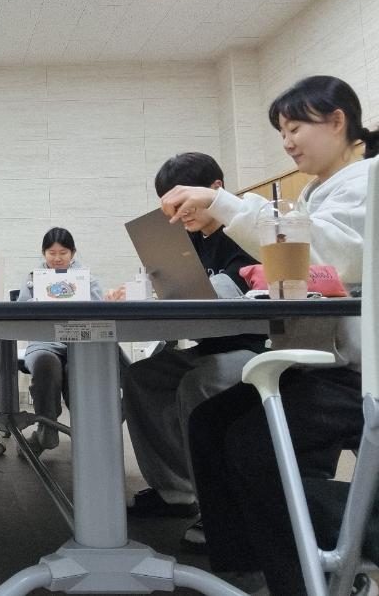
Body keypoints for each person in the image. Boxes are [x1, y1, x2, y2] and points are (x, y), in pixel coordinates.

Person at [162, 76, 379, 594]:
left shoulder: (367, 179)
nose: (287, 142)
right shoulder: (319, 190)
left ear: (338, 121)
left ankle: (309, 570)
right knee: (211, 422)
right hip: (317, 360)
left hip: (356, 372)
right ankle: (250, 567)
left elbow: (334, 256)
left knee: (251, 448)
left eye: (295, 127)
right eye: (282, 131)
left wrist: (225, 205)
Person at [119, 153, 267, 539]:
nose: (177, 215)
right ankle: (175, 490)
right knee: (142, 377)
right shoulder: (192, 241)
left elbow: (231, 294)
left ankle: (219, 504)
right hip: (210, 346)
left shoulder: (246, 230)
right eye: (170, 208)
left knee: (198, 382)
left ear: (215, 189)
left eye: (182, 203)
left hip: (256, 348)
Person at [16, 227, 104, 456]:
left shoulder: (87, 279)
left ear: (72, 253)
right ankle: (47, 428)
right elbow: (20, 315)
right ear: (43, 253)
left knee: (78, 369)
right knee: (45, 364)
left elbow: (101, 313)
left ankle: (88, 432)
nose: (57, 258)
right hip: (43, 343)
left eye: (63, 253)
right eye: (51, 253)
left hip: (79, 343)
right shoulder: (33, 279)